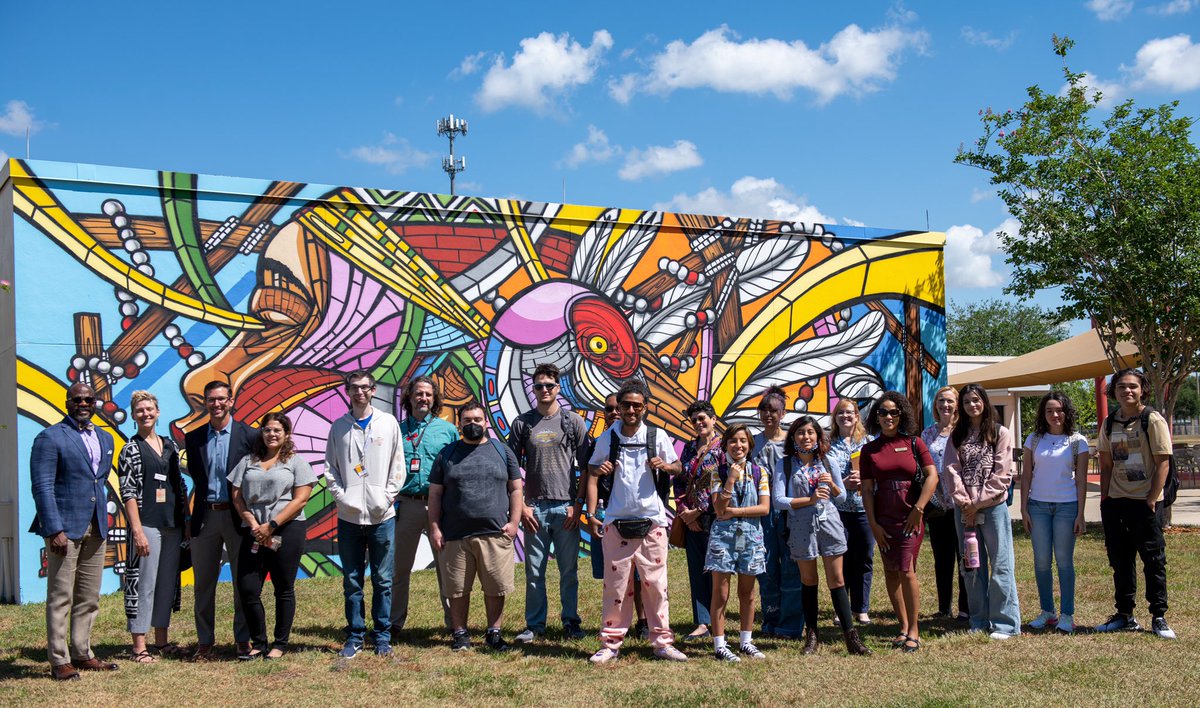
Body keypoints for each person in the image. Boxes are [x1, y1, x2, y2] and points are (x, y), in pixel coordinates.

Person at [586, 378, 686, 663]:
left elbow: (678, 467)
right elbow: (592, 470)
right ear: (619, 406)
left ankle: (662, 642)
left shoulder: (657, 436)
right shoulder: (608, 438)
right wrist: (600, 471)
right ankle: (610, 644)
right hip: (616, 521)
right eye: (626, 405)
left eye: (636, 406)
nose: (630, 410)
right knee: (615, 587)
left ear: (645, 407)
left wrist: (666, 466)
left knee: (656, 586)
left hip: (652, 521)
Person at [29, 382, 119, 681]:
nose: (83, 404)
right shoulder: (50, 437)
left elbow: (98, 482)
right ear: (67, 402)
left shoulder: (105, 438)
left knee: (89, 596)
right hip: (64, 528)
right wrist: (54, 529)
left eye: (88, 399)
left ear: (95, 403)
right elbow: (42, 487)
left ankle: (82, 652)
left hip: (96, 526)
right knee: (60, 596)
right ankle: (59, 660)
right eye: (77, 399)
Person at [428, 403, 522, 652]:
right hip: (455, 534)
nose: (473, 424)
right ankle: (460, 634)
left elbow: (516, 488)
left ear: (486, 422)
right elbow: (435, 494)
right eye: (467, 420)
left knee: (496, 586)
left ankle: (494, 633)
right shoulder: (447, 454)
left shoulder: (502, 451)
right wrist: (435, 528)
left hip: (495, 533)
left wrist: (514, 523)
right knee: (457, 589)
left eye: (478, 419)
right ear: (459, 424)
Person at [325, 371, 407, 658]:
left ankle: (382, 636)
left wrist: (386, 497)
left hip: (381, 517)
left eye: (364, 387)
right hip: (349, 518)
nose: (359, 392)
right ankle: (355, 635)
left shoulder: (388, 423)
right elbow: (330, 469)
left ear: (373, 390)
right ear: (347, 391)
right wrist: (343, 498)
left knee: (383, 580)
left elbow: (398, 464)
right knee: (352, 580)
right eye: (354, 388)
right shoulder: (339, 427)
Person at [775, 416, 872, 656]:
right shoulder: (785, 464)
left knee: (837, 580)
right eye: (800, 432)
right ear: (793, 437)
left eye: (810, 432)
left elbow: (841, 497)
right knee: (809, 580)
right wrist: (810, 500)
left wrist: (834, 485)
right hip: (801, 526)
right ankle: (812, 635)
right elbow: (778, 500)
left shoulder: (828, 461)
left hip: (829, 524)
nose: (805, 437)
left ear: (818, 436)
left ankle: (851, 637)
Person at [508, 363, 589, 643]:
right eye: (539, 386)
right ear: (533, 389)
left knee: (569, 571)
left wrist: (578, 505)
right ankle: (535, 625)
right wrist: (522, 506)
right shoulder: (522, 423)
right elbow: (511, 468)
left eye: (549, 385)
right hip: (534, 509)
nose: (544, 390)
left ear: (558, 388)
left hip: (566, 507)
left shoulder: (573, 422)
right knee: (534, 572)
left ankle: (571, 622)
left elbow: (586, 466)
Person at [1094, 368, 1176, 639]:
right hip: (1116, 502)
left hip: (1145, 503)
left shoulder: (1151, 419)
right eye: (1121, 386)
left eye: (1132, 386)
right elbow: (1106, 464)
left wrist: (1151, 498)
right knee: (1120, 561)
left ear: (1142, 390)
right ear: (1113, 391)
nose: (1127, 391)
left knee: (1154, 561)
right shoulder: (1110, 422)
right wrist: (1105, 499)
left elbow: (1163, 463)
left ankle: (1159, 616)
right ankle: (1124, 615)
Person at [229, 412, 317, 659]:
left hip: (287, 529)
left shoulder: (296, 462)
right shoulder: (248, 460)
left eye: (277, 430)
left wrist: (273, 524)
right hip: (254, 530)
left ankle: (280, 643)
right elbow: (236, 495)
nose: (272, 434)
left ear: (286, 434)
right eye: (267, 429)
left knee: (283, 587)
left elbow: (301, 499)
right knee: (248, 588)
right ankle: (259, 643)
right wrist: (253, 523)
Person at [860, 391, 938, 653]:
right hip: (883, 519)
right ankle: (903, 626)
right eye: (883, 412)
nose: (888, 417)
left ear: (901, 415)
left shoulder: (914, 443)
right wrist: (873, 524)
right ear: (876, 417)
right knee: (891, 571)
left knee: (906, 570)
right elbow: (867, 490)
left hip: (910, 518)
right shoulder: (869, 450)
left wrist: (919, 509)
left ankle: (914, 630)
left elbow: (932, 476)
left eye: (894, 412)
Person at [943, 383, 1021, 640]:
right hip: (964, 511)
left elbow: (1003, 474)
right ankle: (978, 620)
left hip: (993, 508)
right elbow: (951, 470)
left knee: (1001, 564)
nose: (972, 405)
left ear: (984, 402)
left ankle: (1005, 624)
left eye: (976, 400)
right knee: (972, 566)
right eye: (966, 402)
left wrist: (977, 503)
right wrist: (965, 503)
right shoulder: (957, 436)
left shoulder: (1000, 433)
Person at [184, 380, 254, 661]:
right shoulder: (194, 438)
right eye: (211, 399)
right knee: (203, 583)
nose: (216, 404)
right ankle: (204, 641)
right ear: (205, 402)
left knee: (242, 581)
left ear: (231, 401)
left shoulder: (249, 435)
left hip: (238, 516)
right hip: (205, 517)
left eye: (221, 399)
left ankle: (243, 639)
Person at [119, 390, 188, 663]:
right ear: (133, 416)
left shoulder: (170, 446)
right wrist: (136, 530)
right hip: (146, 524)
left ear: (158, 412)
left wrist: (186, 521)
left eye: (149, 409)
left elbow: (179, 485)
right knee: (143, 584)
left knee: (166, 584)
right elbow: (128, 492)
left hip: (172, 524)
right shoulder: (131, 449)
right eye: (140, 410)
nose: (145, 414)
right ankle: (139, 646)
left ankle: (161, 641)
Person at [392, 375, 458, 636]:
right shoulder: (396, 430)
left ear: (435, 399)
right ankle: (394, 623)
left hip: (439, 508)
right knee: (399, 568)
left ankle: (454, 624)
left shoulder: (447, 431)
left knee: (447, 568)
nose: (423, 398)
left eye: (428, 394)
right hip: (406, 505)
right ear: (409, 397)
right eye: (419, 393)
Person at [1020, 391, 1088, 634]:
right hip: (1037, 506)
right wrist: (1023, 508)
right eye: (1049, 411)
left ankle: (1067, 615)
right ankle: (1047, 611)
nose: (1054, 415)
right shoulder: (1033, 439)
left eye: (1059, 410)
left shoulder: (1078, 441)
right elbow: (1026, 476)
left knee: (1064, 561)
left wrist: (1080, 514)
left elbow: (1081, 480)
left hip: (1066, 507)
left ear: (1066, 412)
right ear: (1043, 414)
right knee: (1041, 561)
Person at [704, 424, 770, 661]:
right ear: (725, 445)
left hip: (751, 537)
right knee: (720, 593)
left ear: (750, 445)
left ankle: (745, 641)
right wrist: (730, 480)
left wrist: (735, 512)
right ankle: (720, 645)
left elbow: (764, 508)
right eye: (733, 440)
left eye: (743, 440)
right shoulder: (718, 473)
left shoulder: (760, 472)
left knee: (747, 592)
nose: (738, 445)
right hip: (723, 538)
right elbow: (719, 509)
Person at [586, 394, 648, 638]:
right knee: (615, 575)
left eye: (617, 408)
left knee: (640, 574)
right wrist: (590, 513)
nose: (614, 412)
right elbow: (590, 477)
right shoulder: (600, 442)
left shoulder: (643, 439)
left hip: (635, 514)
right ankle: (617, 624)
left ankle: (643, 621)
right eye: (609, 409)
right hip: (606, 513)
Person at [752, 387, 804, 639]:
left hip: (789, 511)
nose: (768, 415)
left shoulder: (792, 443)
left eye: (774, 410)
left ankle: (791, 624)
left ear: (783, 413)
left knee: (792, 566)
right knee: (766, 566)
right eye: (764, 410)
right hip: (762, 513)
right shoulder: (752, 442)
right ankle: (770, 619)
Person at [920, 386, 970, 620]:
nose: (945, 405)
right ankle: (944, 608)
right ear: (935, 405)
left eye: (950, 401)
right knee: (942, 558)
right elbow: (923, 468)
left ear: (957, 405)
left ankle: (965, 608)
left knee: (964, 556)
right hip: (938, 506)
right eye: (941, 401)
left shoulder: (965, 431)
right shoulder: (928, 433)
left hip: (962, 503)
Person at [675, 400, 722, 642]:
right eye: (694, 420)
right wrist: (685, 512)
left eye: (702, 418)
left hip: (716, 517)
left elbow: (726, 482)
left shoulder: (723, 447)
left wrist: (700, 511)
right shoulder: (689, 448)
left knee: (717, 571)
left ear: (713, 419)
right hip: (691, 521)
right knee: (697, 569)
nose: (698, 423)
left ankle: (718, 620)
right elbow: (679, 480)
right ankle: (702, 622)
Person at [827, 398, 875, 625]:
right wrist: (842, 484)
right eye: (840, 413)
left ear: (857, 416)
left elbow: (878, 473)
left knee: (864, 557)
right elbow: (820, 477)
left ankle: (861, 608)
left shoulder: (869, 442)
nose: (845, 416)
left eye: (849, 412)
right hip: (838, 510)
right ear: (835, 418)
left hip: (864, 508)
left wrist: (866, 479)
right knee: (842, 560)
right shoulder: (827, 445)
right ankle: (842, 609)